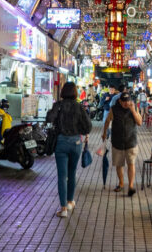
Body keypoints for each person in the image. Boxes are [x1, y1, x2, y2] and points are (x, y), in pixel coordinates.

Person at [47, 82, 92, 218]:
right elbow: (88, 126)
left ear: (62, 92)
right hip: (76, 142)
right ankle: (70, 201)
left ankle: (63, 209)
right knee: (72, 172)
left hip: (61, 142)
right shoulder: (79, 106)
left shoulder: (58, 105)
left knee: (62, 175)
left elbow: (49, 118)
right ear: (75, 92)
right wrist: (79, 131)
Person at [102, 93, 142, 196]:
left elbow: (139, 122)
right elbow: (107, 121)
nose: (126, 103)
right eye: (124, 101)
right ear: (120, 101)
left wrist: (133, 110)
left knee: (131, 163)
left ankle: (131, 186)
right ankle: (121, 183)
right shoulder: (114, 109)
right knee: (119, 164)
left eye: (128, 100)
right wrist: (104, 133)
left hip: (131, 141)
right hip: (117, 141)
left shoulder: (134, 108)